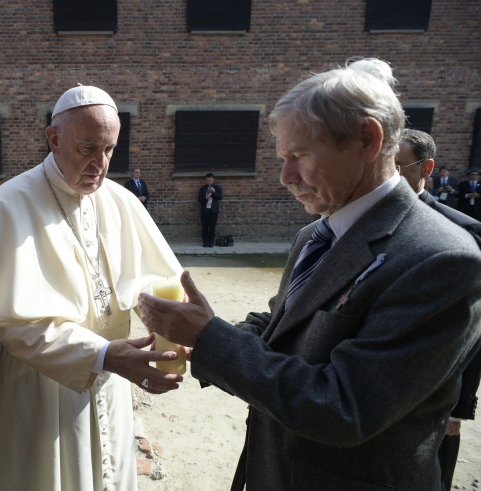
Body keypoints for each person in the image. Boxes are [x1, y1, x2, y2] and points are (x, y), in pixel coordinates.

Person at [138, 58, 481, 489]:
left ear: (367, 139)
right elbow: (282, 330)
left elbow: (342, 407)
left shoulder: (441, 259)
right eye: (283, 158)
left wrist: (209, 339)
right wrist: (194, 338)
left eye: (298, 156)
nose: (285, 176)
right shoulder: (314, 234)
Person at [0, 85, 185, 491]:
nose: (101, 163)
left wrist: (162, 317)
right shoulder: (8, 204)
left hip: (114, 379)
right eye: (88, 148)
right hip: (41, 388)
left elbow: (146, 280)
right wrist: (102, 354)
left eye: (110, 149)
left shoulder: (120, 201)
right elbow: (13, 324)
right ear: (54, 139)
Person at [397, 128, 481, 490]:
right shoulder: (352, 222)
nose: (389, 173)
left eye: (399, 165)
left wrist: (462, 402)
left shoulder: (463, 230)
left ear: (426, 168)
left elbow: (473, 325)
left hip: (439, 371)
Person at [198, 172, 222, 247]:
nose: (209, 182)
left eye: (210, 180)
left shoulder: (217, 187)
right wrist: (205, 198)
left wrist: (214, 193)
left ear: (213, 180)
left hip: (213, 210)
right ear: (206, 180)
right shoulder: (202, 188)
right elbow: (199, 199)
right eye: (208, 181)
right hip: (205, 211)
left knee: (212, 226)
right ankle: (205, 241)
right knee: (205, 226)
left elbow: (220, 197)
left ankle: (211, 242)